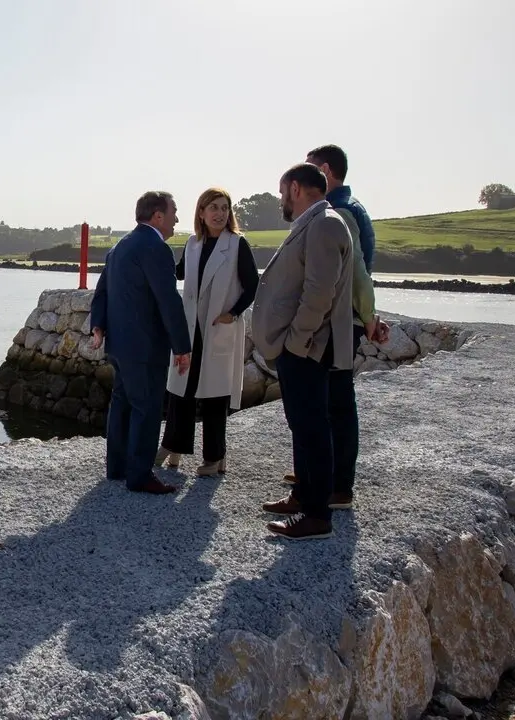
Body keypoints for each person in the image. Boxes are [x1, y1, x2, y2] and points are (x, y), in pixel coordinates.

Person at [275, 147, 389, 508]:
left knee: (329, 408)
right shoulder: (350, 209)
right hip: (342, 320)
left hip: (333, 324)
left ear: (324, 170)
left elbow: (354, 274)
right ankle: (316, 483)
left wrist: (368, 317)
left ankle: (332, 489)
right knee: (327, 407)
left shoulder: (335, 215)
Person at [251, 163, 354, 540]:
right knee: (303, 425)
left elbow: (318, 292)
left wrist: (296, 343)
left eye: (282, 193)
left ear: (295, 188)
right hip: (302, 347)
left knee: (312, 428)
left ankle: (316, 516)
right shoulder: (314, 224)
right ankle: (303, 495)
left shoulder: (325, 224)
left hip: (308, 348)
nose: (282, 200)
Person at [90, 191, 192, 494]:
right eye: (174, 212)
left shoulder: (120, 246)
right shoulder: (154, 248)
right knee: (146, 409)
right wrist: (182, 346)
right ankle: (140, 476)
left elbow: (102, 290)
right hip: (146, 347)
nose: (177, 219)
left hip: (120, 345)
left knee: (122, 405)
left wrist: (99, 325)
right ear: (157, 216)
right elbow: (168, 300)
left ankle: (118, 467)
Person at [155, 187, 259, 476]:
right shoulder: (192, 243)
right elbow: (177, 272)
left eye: (224, 208)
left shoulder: (237, 245)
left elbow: (253, 285)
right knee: (180, 391)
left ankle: (215, 457)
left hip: (217, 328)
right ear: (201, 212)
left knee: (215, 396)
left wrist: (233, 313)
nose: (220, 213)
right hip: (191, 329)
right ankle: (172, 446)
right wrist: (148, 257)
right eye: (213, 207)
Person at [306, 144, 377, 272]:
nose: (301, 178)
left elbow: (350, 271)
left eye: (308, 171)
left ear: (325, 170)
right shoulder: (350, 205)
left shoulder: (339, 211)